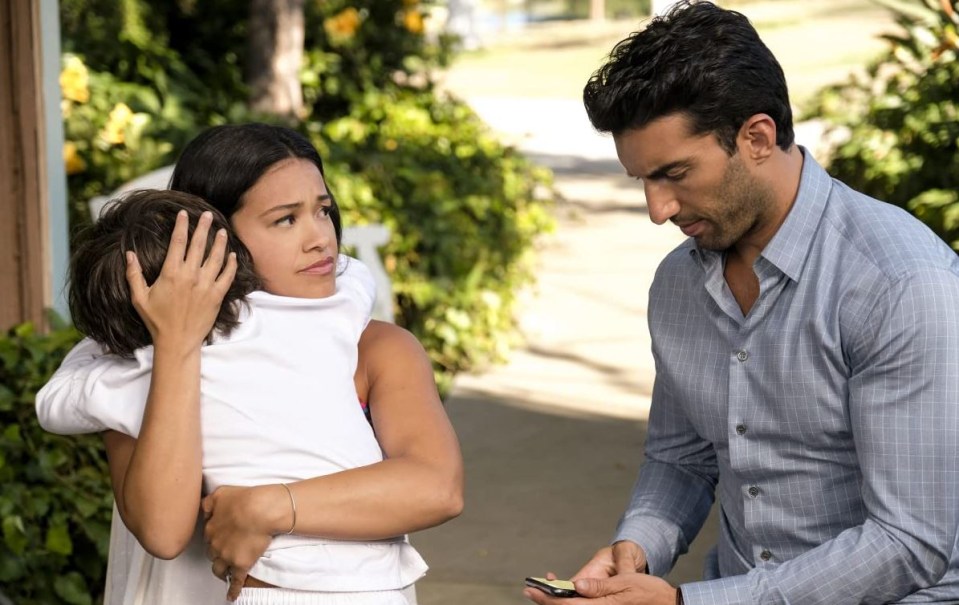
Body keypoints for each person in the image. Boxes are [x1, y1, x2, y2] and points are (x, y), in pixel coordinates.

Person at [524, 2, 959, 604]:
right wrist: (637, 547)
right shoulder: (677, 285)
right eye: (644, 181)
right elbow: (682, 457)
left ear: (757, 137)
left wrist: (688, 604)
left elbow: (909, 540)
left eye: (675, 173)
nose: (658, 209)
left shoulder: (900, 283)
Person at [37, 124, 464, 604]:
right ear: (213, 238)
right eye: (286, 219)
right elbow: (162, 529)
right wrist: (178, 344)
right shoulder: (141, 357)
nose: (320, 238)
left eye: (323, 210)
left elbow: (436, 486)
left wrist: (269, 506)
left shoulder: (376, 348)